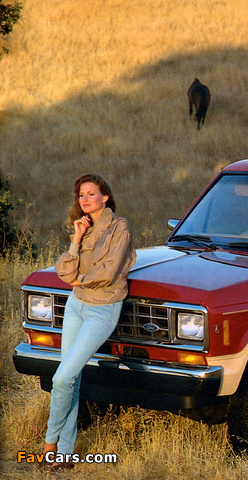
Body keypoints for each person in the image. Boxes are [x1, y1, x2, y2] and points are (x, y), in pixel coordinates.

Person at [41, 174, 136, 471]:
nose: (84, 199)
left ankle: (49, 444)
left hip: (103, 309)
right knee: (71, 380)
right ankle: (65, 456)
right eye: (81, 195)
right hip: (76, 305)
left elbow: (108, 272)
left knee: (61, 378)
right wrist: (77, 239)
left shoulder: (119, 227)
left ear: (105, 197)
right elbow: (63, 270)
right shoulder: (84, 228)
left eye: (91, 193)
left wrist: (78, 280)